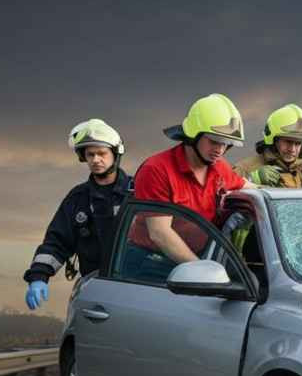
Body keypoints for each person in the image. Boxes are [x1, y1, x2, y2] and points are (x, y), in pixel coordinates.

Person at [124, 93, 252, 281]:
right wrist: (203, 272)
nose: (220, 149)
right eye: (214, 141)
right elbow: (160, 233)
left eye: (226, 143)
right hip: (149, 265)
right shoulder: (156, 170)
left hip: (195, 261)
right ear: (193, 136)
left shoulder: (218, 166)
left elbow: (250, 188)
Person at [23, 120, 133, 309]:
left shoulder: (138, 192)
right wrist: (39, 277)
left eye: (101, 153)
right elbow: (56, 242)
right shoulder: (78, 199)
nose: (95, 159)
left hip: (137, 288)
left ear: (115, 153)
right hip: (94, 291)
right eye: (90, 154)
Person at [233, 103, 302, 188]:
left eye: (298, 143)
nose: (292, 149)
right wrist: (251, 180)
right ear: (274, 140)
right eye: (288, 142)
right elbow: (225, 198)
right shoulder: (245, 169)